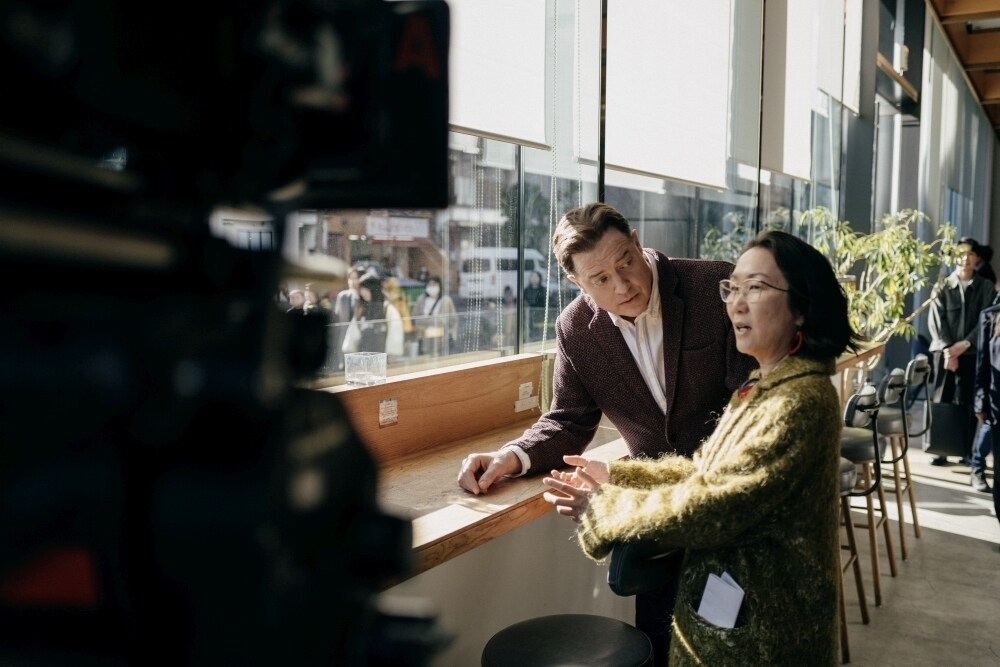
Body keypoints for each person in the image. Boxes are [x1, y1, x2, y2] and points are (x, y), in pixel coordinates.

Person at [542, 230, 862, 666]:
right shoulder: (765, 384)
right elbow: (708, 471)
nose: (736, 304)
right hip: (738, 622)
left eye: (756, 288)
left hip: (766, 635)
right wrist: (617, 474)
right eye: (734, 289)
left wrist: (603, 507)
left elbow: (711, 506)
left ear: (802, 305)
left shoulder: (798, 401)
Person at [455, 203, 756, 663]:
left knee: (737, 646)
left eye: (626, 262)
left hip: (732, 508)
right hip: (654, 522)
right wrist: (509, 457)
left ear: (636, 241)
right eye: (600, 278)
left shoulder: (713, 285)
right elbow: (567, 420)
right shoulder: (576, 329)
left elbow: (751, 401)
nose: (622, 285)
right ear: (577, 282)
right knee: (662, 643)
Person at [928, 238, 996, 465]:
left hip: (972, 352)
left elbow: (985, 320)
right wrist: (949, 350)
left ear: (977, 258)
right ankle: (940, 448)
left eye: (970, 254)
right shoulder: (942, 286)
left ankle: (966, 451)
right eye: (961, 253)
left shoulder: (986, 287)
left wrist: (964, 345)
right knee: (942, 398)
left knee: (969, 401)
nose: (965, 258)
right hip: (944, 353)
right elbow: (936, 321)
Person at [972, 291, 1000, 493]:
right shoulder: (990, 315)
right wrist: (980, 400)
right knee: (989, 429)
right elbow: (982, 364)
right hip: (996, 396)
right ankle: (977, 467)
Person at [342, 275, 404, 358]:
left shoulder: (386, 308)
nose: (363, 293)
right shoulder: (361, 309)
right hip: (363, 353)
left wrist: (392, 353)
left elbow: (395, 331)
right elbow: (354, 330)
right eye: (361, 290)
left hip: (381, 353)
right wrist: (350, 349)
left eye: (366, 289)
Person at [412, 276, 457, 357]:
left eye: (434, 284)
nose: (432, 287)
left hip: (442, 340)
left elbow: (452, 319)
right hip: (425, 339)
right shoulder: (421, 299)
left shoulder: (446, 300)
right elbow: (415, 317)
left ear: (439, 286)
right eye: (429, 285)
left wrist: (451, 333)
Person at [523, 269, 547, 341]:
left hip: (540, 316)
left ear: (540, 278)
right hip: (529, 316)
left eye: (536, 277)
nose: (534, 278)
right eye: (532, 276)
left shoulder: (543, 290)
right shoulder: (526, 290)